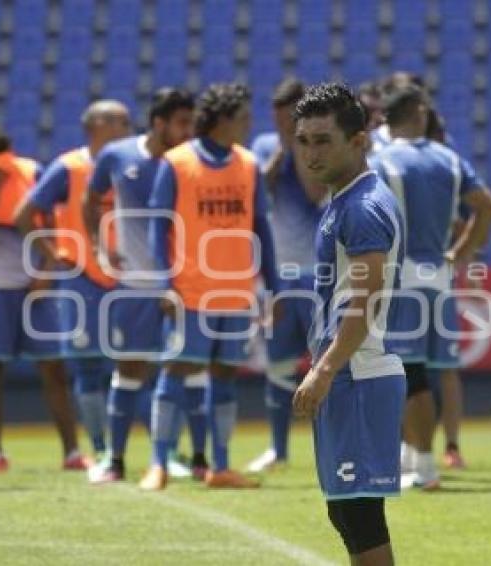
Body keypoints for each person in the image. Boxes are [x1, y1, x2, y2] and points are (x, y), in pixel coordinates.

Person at [143, 82, 279, 490]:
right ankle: (158, 463)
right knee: (176, 370)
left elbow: (261, 229)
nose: (248, 125)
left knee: (224, 376)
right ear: (222, 121)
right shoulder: (177, 163)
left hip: (236, 293)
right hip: (191, 292)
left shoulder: (249, 164)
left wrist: (272, 286)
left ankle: (220, 466)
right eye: (242, 118)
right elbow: (157, 229)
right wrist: (164, 284)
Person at [292, 82, 405, 565]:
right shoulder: (343, 200)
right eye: (304, 141)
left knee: (360, 517)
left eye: (323, 140)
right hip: (350, 373)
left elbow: (365, 300)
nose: (311, 153)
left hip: (360, 374)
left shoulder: (361, 208)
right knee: (346, 515)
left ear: (358, 141)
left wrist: (325, 369)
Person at [372, 84, 491, 489]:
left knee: (408, 374)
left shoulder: (380, 161)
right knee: (423, 372)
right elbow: (488, 208)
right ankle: (412, 459)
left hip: (400, 278)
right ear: (420, 114)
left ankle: (424, 467)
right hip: (439, 278)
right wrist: (460, 254)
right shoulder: (450, 159)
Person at [82, 88, 206, 483]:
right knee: (130, 369)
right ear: (159, 123)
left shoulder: (190, 163)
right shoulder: (118, 155)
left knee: (184, 370)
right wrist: (101, 247)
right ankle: (114, 461)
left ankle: (177, 457)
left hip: (183, 287)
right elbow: (89, 201)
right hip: (134, 285)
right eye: (182, 123)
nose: (189, 131)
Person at [15, 100, 132, 460]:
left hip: (127, 277)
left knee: (134, 364)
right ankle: (99, 448)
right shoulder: (69, 168)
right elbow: (25, 214)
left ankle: (134, 448)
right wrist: (53, 257)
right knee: (88, 367)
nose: (127, 127)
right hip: (81, 276)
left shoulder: (131, 165)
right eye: (119, 121)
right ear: (96, 125)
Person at [0, 126, 85, 472]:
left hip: (35, 285)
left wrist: (46, 272)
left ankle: (71, 452)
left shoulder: (33, 171)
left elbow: (50, 224)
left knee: (54, 368)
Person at [247, 78, 327, 473]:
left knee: (325, 365)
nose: (282, 127)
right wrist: (279, 154)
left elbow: (315, 194)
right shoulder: (264, 147)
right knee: (277, 365)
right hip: (279, 276)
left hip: (319, 275)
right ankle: (278, 449)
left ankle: (329, 446)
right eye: (278, 119)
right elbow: (256, 195)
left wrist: (299, 148)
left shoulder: (320, 147)